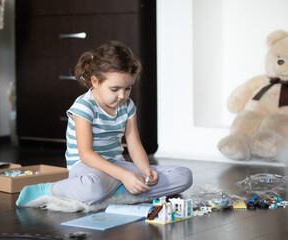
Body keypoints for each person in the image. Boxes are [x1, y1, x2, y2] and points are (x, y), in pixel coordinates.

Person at [16, 41, 193, 207]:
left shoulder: (128, 106)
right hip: (87, 169)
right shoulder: (84, 106)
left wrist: (146, 170)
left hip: (115, 165)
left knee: (183, 176)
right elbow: (86, 155)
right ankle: (47, 189)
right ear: (95, 81)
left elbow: (133, 143)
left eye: (128, 88)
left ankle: (124, 188)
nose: (122, 96)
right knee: (94, 187)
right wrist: (124, 175)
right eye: (115, 89)